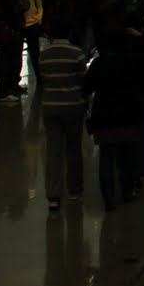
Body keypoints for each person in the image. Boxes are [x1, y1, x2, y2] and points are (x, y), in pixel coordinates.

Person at [85, 19, 144, 211]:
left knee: (106, 157)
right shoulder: (132, 63)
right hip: (129, 114)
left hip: (104, 116)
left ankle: (108, 198)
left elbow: (86, 88)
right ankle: (127, 191)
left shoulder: (98, 64)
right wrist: (142, 39)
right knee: (128, 156)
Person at [38, 16, 89, 210]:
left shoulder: (44, 55)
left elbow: (43, 78)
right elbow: (83, 81)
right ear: (70, 32)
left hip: (50, 105)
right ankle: (74, 192)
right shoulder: (77, 54)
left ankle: (53, 195)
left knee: (54, 151)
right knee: (74, 150)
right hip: (73, 106)